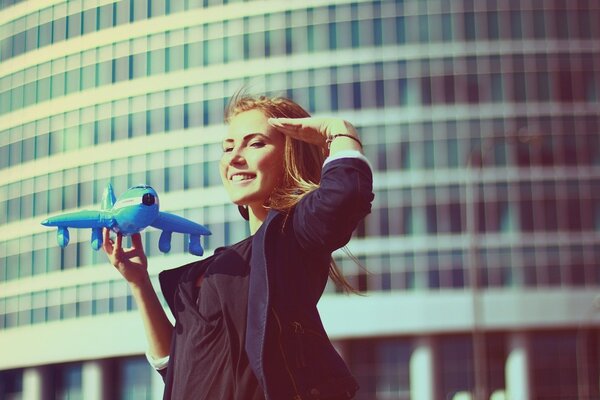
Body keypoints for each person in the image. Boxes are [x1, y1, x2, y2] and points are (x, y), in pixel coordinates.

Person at [103, 93, 374, 400]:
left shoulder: (293, 239)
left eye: (255, 143)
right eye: (228, 147)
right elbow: (177, 366)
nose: (234, 157)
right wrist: (139, 283)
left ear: (290, 155)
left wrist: (340, 132)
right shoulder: (214, 268)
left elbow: (347, 193)